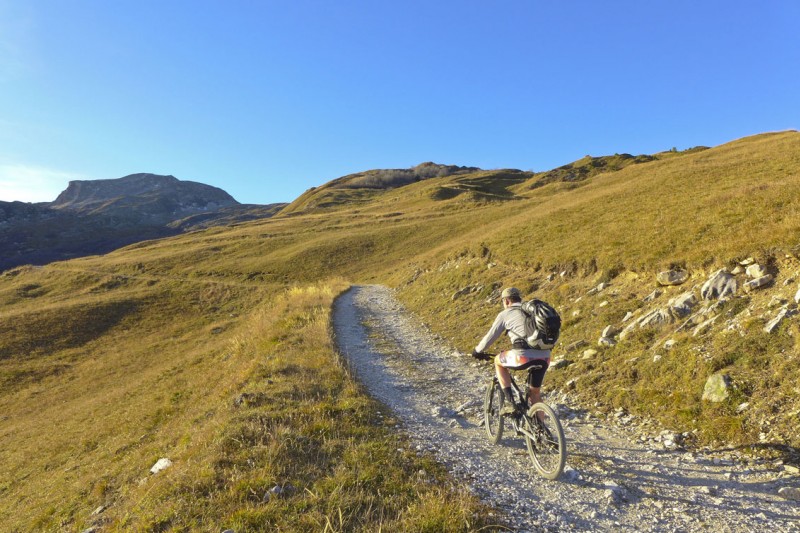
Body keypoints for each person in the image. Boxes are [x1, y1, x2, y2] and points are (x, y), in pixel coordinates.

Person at [472, 287, 551, 416]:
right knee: (535, 393)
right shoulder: (533, 311)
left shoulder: (505, 314)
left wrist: (477, 351)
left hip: (523, 356)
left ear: (507, 301)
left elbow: (490, 337)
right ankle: (540, 431)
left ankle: (510, 403)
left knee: (498, 361)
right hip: (545, 357)